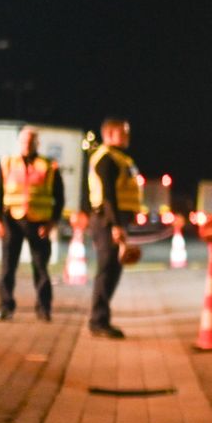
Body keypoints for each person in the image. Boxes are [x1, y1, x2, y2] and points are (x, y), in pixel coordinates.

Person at [0, 125, 65, 322]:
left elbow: (59, 198)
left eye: (31, 141)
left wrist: (52, 223)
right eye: (24, 141)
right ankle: (5, 307)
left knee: (41, 268)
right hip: (12, 221)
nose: (27, 144)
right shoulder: (8, 164)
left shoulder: (49, 166)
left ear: (37, 143)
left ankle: (43, 309)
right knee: (8, 268)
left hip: (39, 224)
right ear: (19, 142)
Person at [86, 117, 142, 339]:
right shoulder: (106, 158)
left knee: (114, 270)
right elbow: (108, 195)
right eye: (123, 132)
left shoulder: (120, 158)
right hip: (107, 221)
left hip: (114, 220)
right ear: (108, 134)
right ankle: (98, 321)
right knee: (107, 270)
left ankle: (101, 318)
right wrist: (116, 225)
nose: (127, 136)